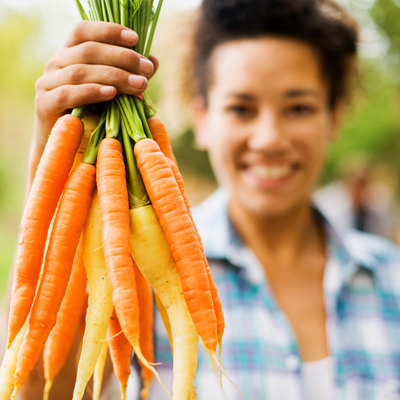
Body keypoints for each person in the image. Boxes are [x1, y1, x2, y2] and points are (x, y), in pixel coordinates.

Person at [17, 0, 400, 399]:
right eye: (241, 108)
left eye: (299, 108)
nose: (269, 138)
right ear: (201, 119)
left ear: (334, 117)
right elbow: (41, 389)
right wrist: (51, 163)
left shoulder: (393, 281)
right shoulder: (132, 268)